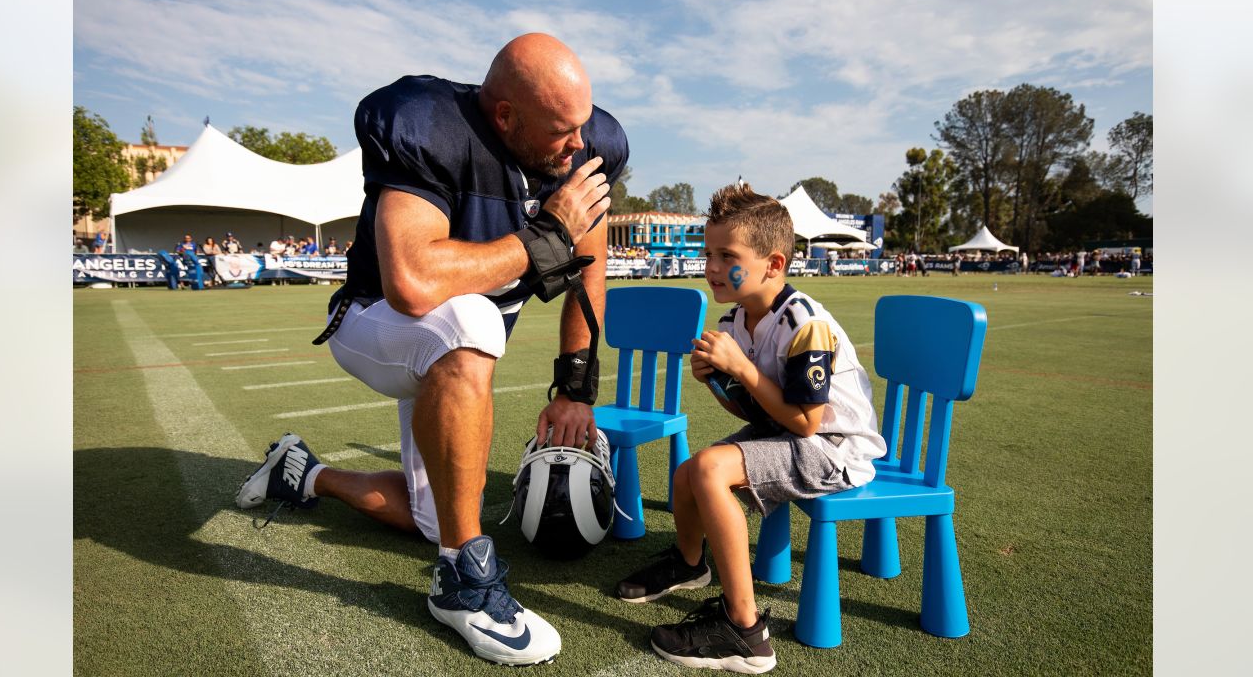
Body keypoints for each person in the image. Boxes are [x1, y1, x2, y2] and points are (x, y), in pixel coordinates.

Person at [235, 33, 627, 666]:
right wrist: (542, 235)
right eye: (560, 129)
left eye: (582, 124)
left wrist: (576, 389)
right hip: (377, 324)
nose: (578, 143)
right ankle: (464, 582)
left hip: (453, 348)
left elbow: (588, 269)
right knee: (472, 321)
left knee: (434, 516)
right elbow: (414, 284)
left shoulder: (587, 144)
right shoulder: (430, 128)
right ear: (505, 116)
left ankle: (302, 473)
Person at [614, 183, 884, 673]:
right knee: (690, 471)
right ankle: (691, 563)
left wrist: (740, 369)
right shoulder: (737, 319)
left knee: (712, 469)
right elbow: (759, 414)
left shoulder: (805, 324)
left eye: (726, 255)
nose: (711, 266)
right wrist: (719, 384)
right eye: (707, 253)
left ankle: (744, 629)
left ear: (774, 264)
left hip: (836, 447)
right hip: (793, 433)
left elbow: (805, 423)